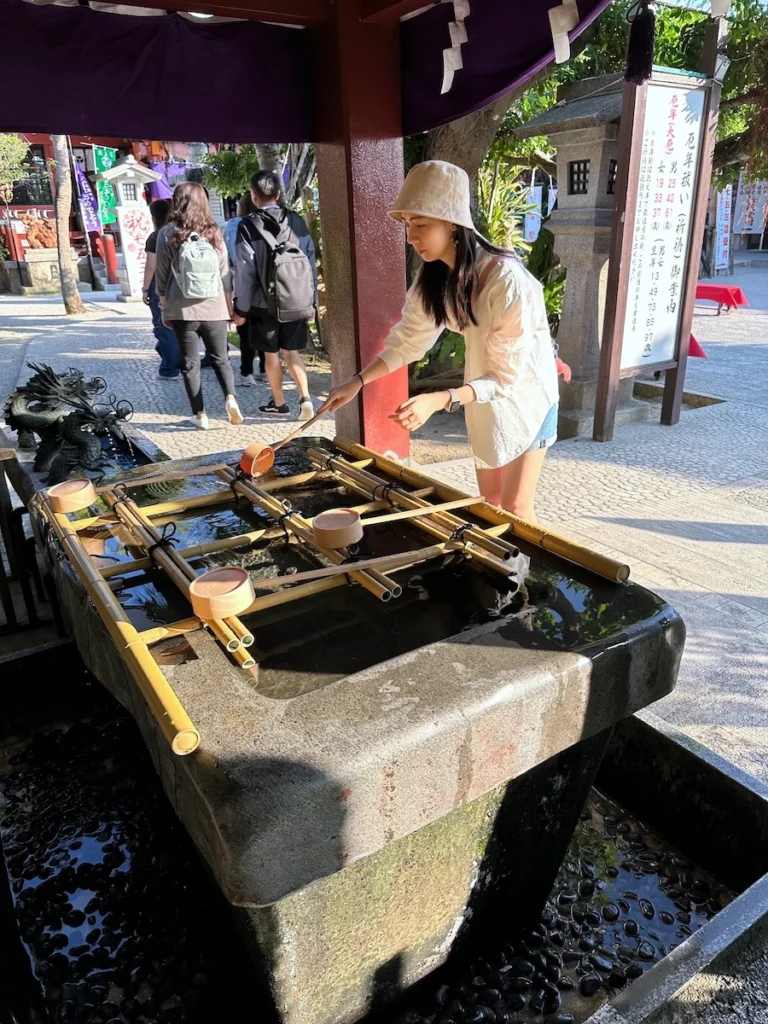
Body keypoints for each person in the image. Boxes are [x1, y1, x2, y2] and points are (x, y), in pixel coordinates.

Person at [319, 160, 560, 522]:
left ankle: (525, 579)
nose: (411, 237)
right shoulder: (434, 278)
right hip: (483, 393)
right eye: (407, 225)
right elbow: (407, 341)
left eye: (421, 224)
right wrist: (357, 382)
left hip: (527, 396)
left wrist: (439, 399)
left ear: (453, 224)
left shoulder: (507, 281)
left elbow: (505, 377)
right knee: (489, 505)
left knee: (516, 511)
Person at [155, 182, 244, 431]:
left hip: (182, 309)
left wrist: (164, 305)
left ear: (177, 201)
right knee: (221, 359)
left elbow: (161, 275)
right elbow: (225, 274)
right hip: (214, 306)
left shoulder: (168, 233)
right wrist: (228, 309)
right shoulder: (214, 232)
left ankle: (200, 415)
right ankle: (231, 399)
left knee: (190, 363)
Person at [233, 170, 317, 420]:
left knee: (271, 354)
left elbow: (244, 270)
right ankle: (305, 400)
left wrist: (241, 309)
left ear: (253, 196)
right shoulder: (298, 222)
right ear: (278, 194)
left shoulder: (247, 226)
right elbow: (310, 264)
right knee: (292, 352)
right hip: (295, 299)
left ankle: (279, 404)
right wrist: (310, 304)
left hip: (263, 303)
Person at [224, 193, 265, 386]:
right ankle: (265, 369)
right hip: (266, 283)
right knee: (265, 327)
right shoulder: (265, 222)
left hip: (242, 280)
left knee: (246, 329)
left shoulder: (236, 224)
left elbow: (233, 253)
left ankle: (246, 371)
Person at [142, 199, 180, 380]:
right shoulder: (179, 232)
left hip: (160, 285)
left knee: (163, 325)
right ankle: (180, 362)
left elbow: (151, 265)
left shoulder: (156, 236)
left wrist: (144, 289)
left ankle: (170, 368)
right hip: (180, 285)